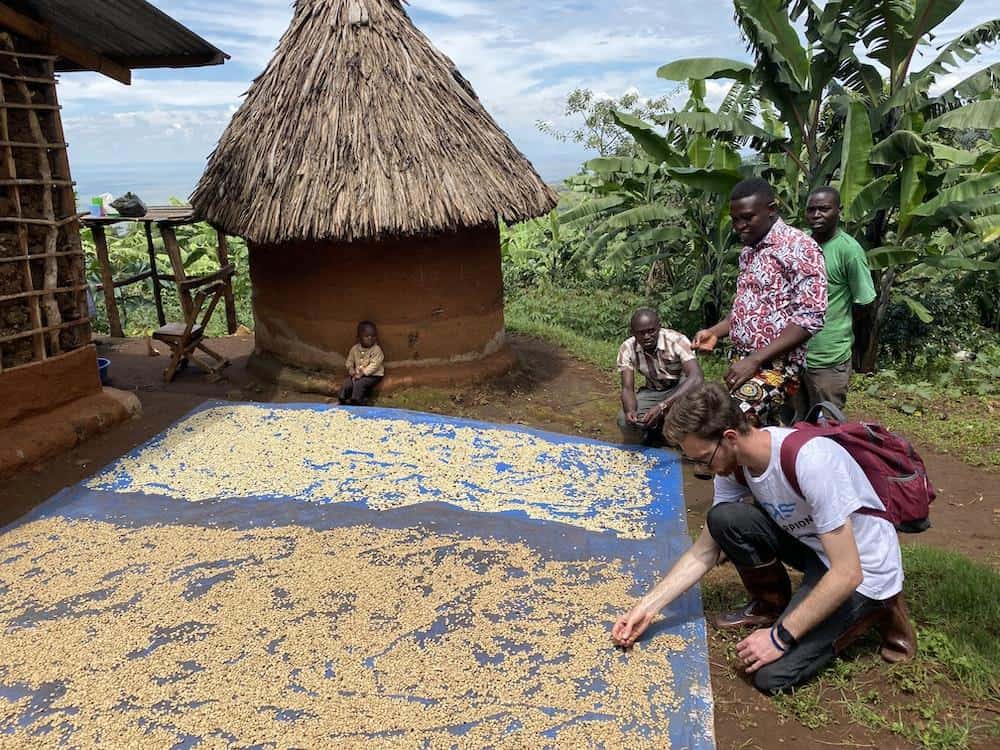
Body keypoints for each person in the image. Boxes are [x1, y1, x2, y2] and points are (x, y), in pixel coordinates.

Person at [611, 383, 916, 694]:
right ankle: (771, 606)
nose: (703, 468)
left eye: (704, 458)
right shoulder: (735, 466)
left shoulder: (810, 462)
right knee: (724, 519)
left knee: (770, 675)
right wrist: (647, 608)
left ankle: (882, 606)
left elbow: (848, 572)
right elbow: (705, 550)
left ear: (730, 437)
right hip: (815, 547)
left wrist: (778, 637)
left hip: (861, 569)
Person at [692, 178, 827, 426]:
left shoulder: (799, 247)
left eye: (747, 218)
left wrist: (755, 359)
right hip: (742, 361)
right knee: (764, 433)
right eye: (735, 220)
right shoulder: (749, 252)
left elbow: (810, 319)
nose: (739, 226)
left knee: (733, 419)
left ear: (771, 209)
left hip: (778, 367)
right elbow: (747, 312)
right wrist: (714, 332)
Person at [803, 187, 876, 413]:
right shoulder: (801, 244)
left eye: (824, 209)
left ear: (839, 211)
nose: (817, 215)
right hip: (794, 354)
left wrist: (837, 323)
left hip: (829, 356)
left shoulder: (849, 251)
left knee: (827, 426)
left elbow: (864, 302)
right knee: (795, 424)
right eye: (811, 209)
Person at [617, 308, 703, 445]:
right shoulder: (627, 348)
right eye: (641, 333)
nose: (647, 336)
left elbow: (696, 378)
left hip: (681, 388)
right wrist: (630, 411)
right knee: (623, 419)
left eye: (651, 331)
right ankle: (648, 438)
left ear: (659, 327)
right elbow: (627, 388)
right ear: (633, 333)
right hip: (654, 390)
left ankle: (684, 442)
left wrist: (662, 406)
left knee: (689, 415)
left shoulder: (676, 341)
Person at [339, 321, 384, 405]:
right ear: (359, 337)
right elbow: (349, 361)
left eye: (373, 336)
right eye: (367, 336)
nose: (370, 338)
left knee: (359, 383)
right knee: (347, 383)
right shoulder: (354, 349)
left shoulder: (376, 350)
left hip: (373, 375)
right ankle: (342, 399)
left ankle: (357, 401)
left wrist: (363, 373)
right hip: (357, 374)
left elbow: (374, 365)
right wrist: (351, 370)